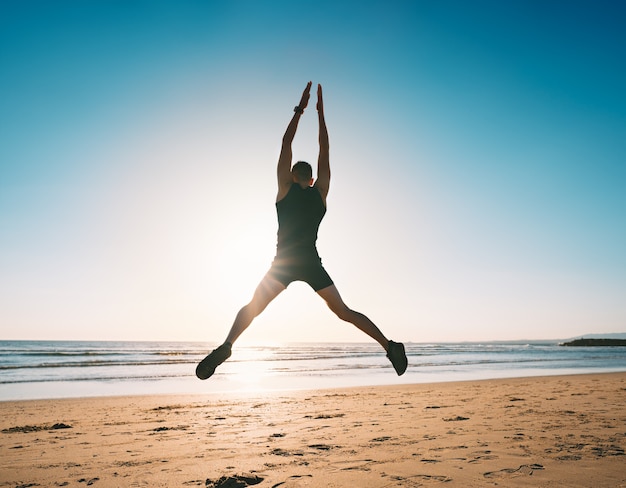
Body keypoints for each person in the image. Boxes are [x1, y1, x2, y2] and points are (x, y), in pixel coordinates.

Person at [196, 82, 407, 380]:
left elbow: (286, 145)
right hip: (309, 261)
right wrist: (321, 115)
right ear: (310, 179)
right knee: (344, 311)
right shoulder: (320, 192)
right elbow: (325, 149)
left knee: (253, 306)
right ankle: (389, 346)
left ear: (293, 176)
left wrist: (300, 110)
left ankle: (228, 344)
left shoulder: (284, 190)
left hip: (283, 263)